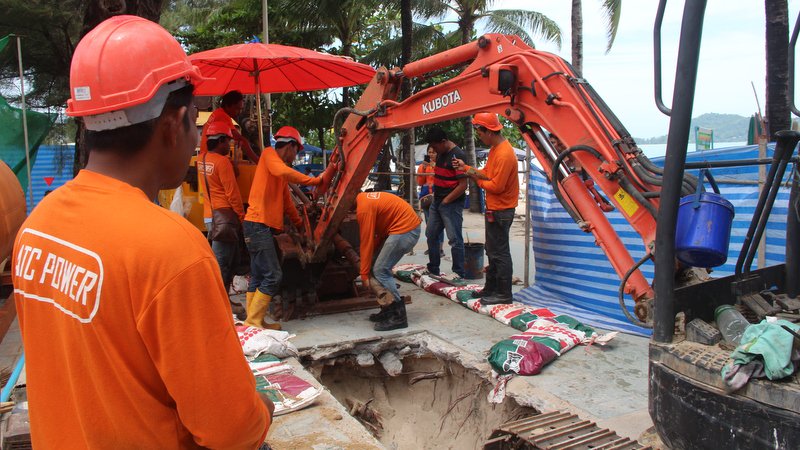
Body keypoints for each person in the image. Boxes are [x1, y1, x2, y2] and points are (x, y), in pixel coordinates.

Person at [12, 16, 272, 448]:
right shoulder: (172, 251)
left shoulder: (38, 226)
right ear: (173, 122)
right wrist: (260, 410)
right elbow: (232, 431)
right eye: (194, 121)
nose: (196, 141)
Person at [243, 125, 322, 329]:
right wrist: (315, 181)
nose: (296, 156)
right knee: (273, 275)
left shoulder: (278, 173)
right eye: (297, 151)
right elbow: (283, 171)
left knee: (259, 275)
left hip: (259, 226)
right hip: (257, 225)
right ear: (290, 146)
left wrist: (300, 226)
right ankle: (253, 321)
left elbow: (287, 203)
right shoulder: (270, 156)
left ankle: (253, 322)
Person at [453, 113, 519, 305]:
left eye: (479, 132)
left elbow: (496, 185)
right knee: (493, 250)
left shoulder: (505, 154)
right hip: (496, 208)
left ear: (488, 131)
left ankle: (504, 293)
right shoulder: (495, 150)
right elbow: (487, 174)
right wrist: (467, 168)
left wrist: (477, 181)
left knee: (499, 252)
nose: (478, 136)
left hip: (502, 210)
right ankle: (492, 288)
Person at [199, 121, 247, 318]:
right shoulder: (222, 162)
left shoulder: (201, 160)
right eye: (227, 141)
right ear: (219, 141)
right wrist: (242, 218)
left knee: (223, 260)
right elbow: (232, 194)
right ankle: (217, 305)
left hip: (210, 217)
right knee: (223, 264)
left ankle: (223, 299)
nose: (229, 145)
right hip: (225, 219)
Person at [356, 191, 421, 331]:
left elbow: (366, 242)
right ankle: (388, 310)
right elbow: (378, 234)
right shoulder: (365, 199)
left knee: (380, 270)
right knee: (376, 266)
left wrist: (364, 273)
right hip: (404, 228)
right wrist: (369, 263)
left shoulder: (363, 209)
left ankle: (399, 316)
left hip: (405, 230)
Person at [425, 127, 467, 278]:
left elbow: (463, 185)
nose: (434, 150)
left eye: (435, 146)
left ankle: (458, 273)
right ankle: (433, 268)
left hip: (451, 204)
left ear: (443, 142)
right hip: (438, 202)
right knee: (431, 234)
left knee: (455, 239)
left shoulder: (458, 156)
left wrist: (446, 201)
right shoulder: (441, 154)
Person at [200, 90, 260, 163]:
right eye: (237, 109)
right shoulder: (223, 116)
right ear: (228, 105)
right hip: (211, 160)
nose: (239, 112)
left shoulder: (217, 113)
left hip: (205, 158)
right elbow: (242, 141)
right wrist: (258, 161)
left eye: (241, 109)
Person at [417, 146, 444, 256]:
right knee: (429, 224)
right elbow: (420, 182)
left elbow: (443, 176)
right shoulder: (424, 166)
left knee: (438, 223)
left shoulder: (442, 164)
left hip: (438, 195)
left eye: (434, 152)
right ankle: (431, 248)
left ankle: (440, 249)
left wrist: (433, 166)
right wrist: (423, 168)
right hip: (427, 197)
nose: (431, 154)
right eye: (430, 152)